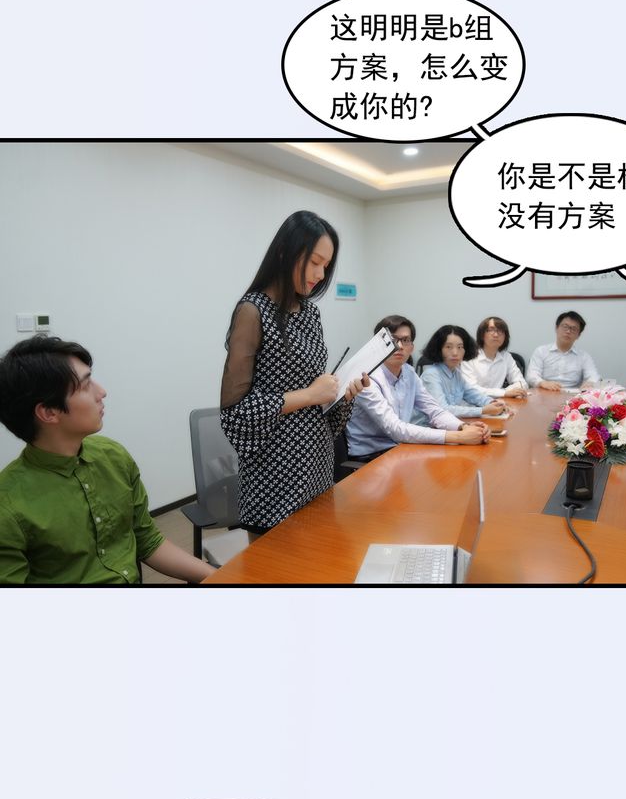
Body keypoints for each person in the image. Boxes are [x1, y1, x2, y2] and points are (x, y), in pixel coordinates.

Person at [0, 337, 213, 585]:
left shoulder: (113, 456)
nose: (101, 392)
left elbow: (147, 540)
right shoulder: (9, 506)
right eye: (85, 385)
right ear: (49, 412)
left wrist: (218, 576)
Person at [220, 210, 369, 537]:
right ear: (285, 252)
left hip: (317, 468)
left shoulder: (310, 313)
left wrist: (342, 395)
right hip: (275, 478)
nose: (320, 274)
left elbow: (320, 407)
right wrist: (310, 395)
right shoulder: (253, 311)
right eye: (315, 262)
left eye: (326, 265)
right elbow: (235, 414)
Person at [346, 315, 491, 459]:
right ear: (378, 344)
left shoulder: (409, 372)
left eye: (405, 340)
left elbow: (435, 411)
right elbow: (394, 428)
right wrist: (458, 437)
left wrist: (463, 427)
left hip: (400, 448)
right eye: (392, 340)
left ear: (412, 347)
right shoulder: (367, 378)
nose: (399, 346)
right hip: (370, 456)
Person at [418, 325, 507, 419]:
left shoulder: (456, 373)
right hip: (426, 425)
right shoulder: (431, 375)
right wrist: (483, 410)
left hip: (449, 424)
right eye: (448, 347)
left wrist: (492, 403)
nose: (455, 353)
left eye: (460, 347)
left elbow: (472, 394)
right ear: (438, 349)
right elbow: (442, 410)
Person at [526, 311, 601, 391]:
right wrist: (542, 383)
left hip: (572, 395)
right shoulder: (541, 351)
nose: (568, 331)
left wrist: (591, 383)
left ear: (578, 335)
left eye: (573, 329)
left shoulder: (584, 356)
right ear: (556, 328)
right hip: (545, 392)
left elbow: (594, 376)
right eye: (565, 327)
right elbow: (531, 375)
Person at [461, 316, 528, 398]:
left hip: (499, 402)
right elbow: (471, 389)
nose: (496, 335)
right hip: (473, 403)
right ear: (481, 335)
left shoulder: (506, 356)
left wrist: (507, 392)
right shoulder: (469, 357)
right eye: (491, 330)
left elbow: (522, 383)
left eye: (500, 331)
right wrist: (504, 392)